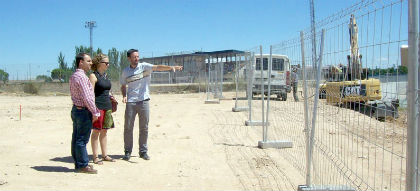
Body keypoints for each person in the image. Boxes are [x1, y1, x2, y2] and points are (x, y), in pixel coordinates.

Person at [120, 49, 183, 161]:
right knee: (128, 127)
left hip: (144, 101)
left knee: (144, 128)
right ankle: (127, 152)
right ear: (129, 58)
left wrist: (171, 67)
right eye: (134, 57)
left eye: (138, 56)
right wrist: (124, 96)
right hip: (131, 102)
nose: (137, 59)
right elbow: (123, 85)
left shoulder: (144, 66)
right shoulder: (125, 71)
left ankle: (143, 152)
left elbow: (158, 67)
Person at [70, 53, 100, 174]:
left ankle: (78, 163)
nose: (91, 63)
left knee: (76, 138)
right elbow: (87, 98)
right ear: (80, 62)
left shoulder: (74, 76)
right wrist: (95, 112)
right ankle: (82, 165)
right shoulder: (82, 77)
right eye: (88, 61)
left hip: (76, 110)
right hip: (83, 111)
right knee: (82, 139)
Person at [89, 53, 117, 165]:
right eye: (106, 63)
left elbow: (106, 90)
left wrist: (111, 96)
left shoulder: (105, 76)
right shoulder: (93, 76)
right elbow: (90, 94)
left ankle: (105, 155)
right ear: (99, 63)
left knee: (104, 131)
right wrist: (93, 109)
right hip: (98, 107)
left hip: (107, 106)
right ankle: (95, 156)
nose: (108, 65)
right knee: (96, 131)